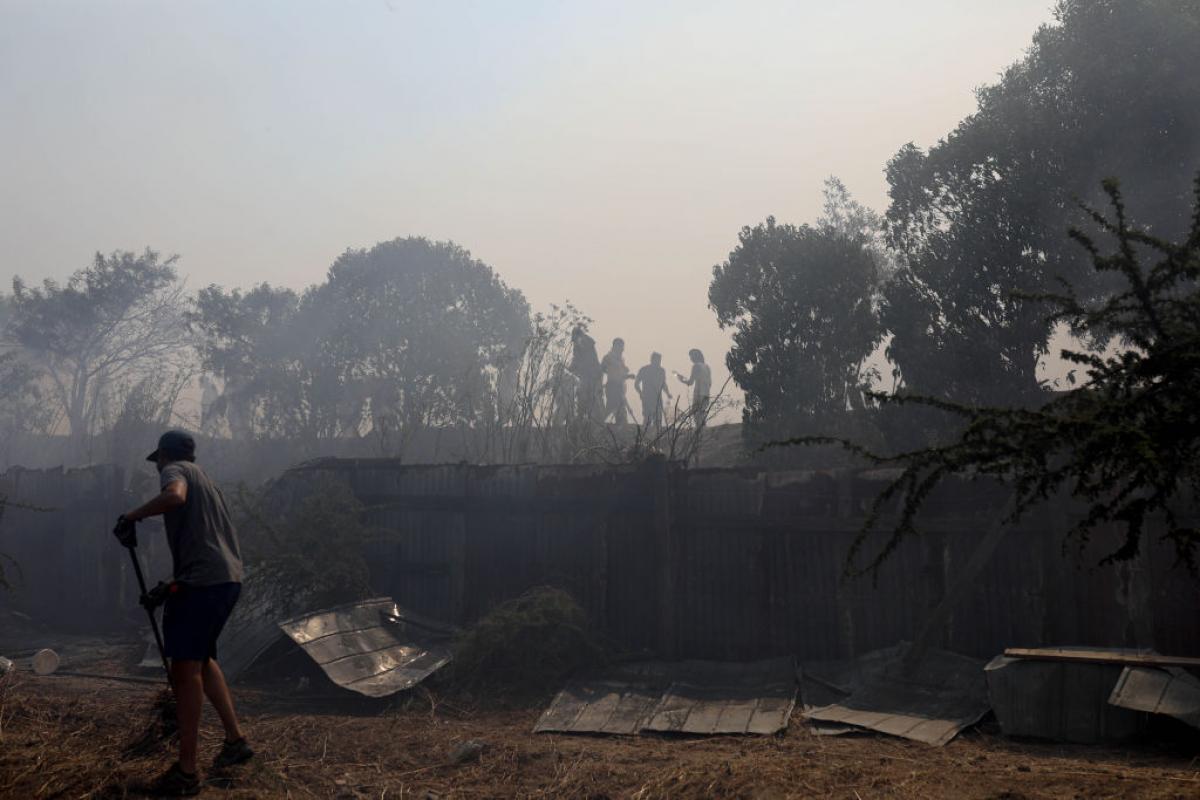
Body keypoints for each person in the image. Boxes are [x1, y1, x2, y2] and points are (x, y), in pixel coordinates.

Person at [113, 430, 252, 796]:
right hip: (226, 578)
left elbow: (173, 497)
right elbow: (206, 545)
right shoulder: (207, 480)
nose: (158, 465)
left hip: (206, 582)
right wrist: (172, 586)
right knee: (202, 660)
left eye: (157, 459)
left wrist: (132, 516)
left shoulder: (174, 471)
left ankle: (187, 772)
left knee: (184, 668)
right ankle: (235, 740)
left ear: (163, 455)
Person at [569, 326, 602, 420]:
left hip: (589, 375)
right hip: (592, 374)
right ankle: (593, 419)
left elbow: (578, 359)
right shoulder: (587, 341)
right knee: (591, 397)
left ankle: (583, 418)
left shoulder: (581, 341)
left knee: (585, 396)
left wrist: (570, 368)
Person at [600, 337, 634, 424]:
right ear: (615, 346)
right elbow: (601, 370)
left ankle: (619, 429)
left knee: (619, 410)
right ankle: (599, 424)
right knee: (612, 407)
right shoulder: (608, 358)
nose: (622, 349)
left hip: (620, 388)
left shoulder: (621, 359)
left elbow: (621, 374)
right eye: (621, 346)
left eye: (623, 347)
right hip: (612, 386)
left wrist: (628, 375)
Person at [634, 352, 671, 429]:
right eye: (657, 360)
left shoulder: (661, 371)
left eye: (659, 361)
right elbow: (636, 384)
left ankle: (656, 437)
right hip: (647, 397)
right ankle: (644, 436)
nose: (658, 362)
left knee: (658, 419)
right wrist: (640, 393)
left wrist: (668, 393)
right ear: (652, 360)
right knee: (647, 418)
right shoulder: (644, 370)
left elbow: (663, 384)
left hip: (658, 398)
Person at [675, 348, 712, 418]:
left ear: (695, 356)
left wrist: (680, 379)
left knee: (696, 415)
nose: (690, 358)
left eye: (691, 356)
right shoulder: (707, 367)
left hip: (699, 393)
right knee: (702, 414)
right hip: (706, 393)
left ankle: (682, 418)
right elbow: (709, 383)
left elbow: (690, 382)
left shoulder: (696, 366)